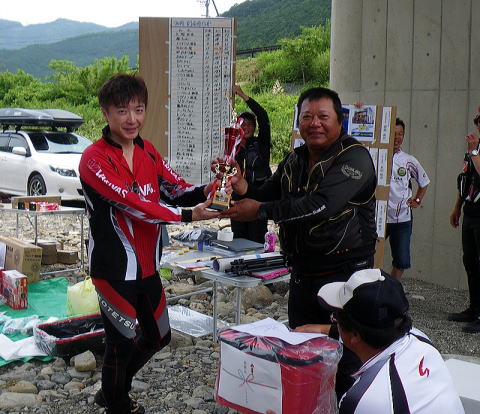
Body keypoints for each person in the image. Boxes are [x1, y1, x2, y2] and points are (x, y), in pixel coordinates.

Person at [218, 87, 378, 397]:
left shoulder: (354, 158)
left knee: (344, 351)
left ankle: (345, 403)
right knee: (302, 346)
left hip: (344, 272)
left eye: (323, 117)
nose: (314, 123)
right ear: (299, 121)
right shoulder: (295, 157)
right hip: (303, 270)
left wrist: (260, 210)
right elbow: (267, 190)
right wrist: (241, 185)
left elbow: (321, 205)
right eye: (307, 117)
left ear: (339, 121)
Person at [79, 73, 220, 414]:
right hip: (113, 269)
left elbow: (176, 189)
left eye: (138, 110)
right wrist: (188, 216)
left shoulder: (149, 151)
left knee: (159, 336)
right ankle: (117, 404)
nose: (132, 119)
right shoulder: (93, 159)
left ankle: (113, 391)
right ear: (105, 113)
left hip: (147, 266)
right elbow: (133, 204)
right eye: (122, 111)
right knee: (120, 343)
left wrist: (211, 188)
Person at [295, 269, 465, 414]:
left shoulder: (364, 400)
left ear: (356, 336)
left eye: (335, 317)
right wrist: (323, 330)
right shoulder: (419, 339)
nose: (334, 322)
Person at [449, 107, 480, 332]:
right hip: (470, 211)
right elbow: (465, 179)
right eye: (478, 120)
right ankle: (474, 309)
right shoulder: (473, 150)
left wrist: (474, 152)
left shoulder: (474, 150)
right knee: (470, 261)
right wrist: (457, 208)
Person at [386, 118, 430, 279]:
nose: (397, 137)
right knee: (368, 256)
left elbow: (424, 182)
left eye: (400, 134)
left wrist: (417, 200)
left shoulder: (408, 160)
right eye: (393, 133)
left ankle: (391, 289)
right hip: (378, 218)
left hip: (402, 218)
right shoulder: (376, 155)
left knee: (401, 260)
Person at [230, 84, 272, 243]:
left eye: (249, 125)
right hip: (238, 195)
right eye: (242, 124)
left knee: (256, 236)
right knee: (238, 236)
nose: (246, 127)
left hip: (259, 194)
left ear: (254, 128)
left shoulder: (261, 144)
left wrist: (242, 95)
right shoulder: (232, 147)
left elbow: (263, 116)